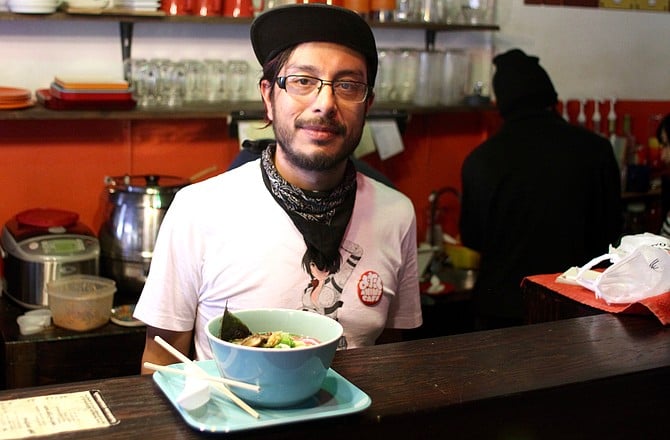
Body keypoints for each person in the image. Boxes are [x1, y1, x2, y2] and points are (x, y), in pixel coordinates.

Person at [134, 4, 422, 371]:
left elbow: (391, 356)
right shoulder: (198, 210)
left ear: (368, 105)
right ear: (268, 97)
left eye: (348, 86)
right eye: (303, 81)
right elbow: (160, 363)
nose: (325, 104)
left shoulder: (397, 213)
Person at [459, 48, 622, 330]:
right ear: (550, 98)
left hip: (502, 309)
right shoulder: (595, 150)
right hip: (576, 305)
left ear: (502, 103)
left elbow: (473, 237)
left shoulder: (481, 159)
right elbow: (611, 235)